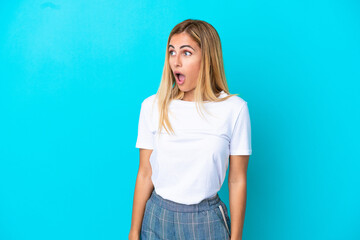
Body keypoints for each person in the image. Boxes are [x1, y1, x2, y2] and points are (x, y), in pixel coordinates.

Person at [129, 19, 252, 240]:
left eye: (186, 53)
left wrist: (236, 238)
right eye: (171, 52)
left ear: (208, 59)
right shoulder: (152, 106)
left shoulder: (234, 109)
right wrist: (133, 232)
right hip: (157, 216)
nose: (175, 61)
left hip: (205, 221)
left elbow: (237, 179)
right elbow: (145, 173)